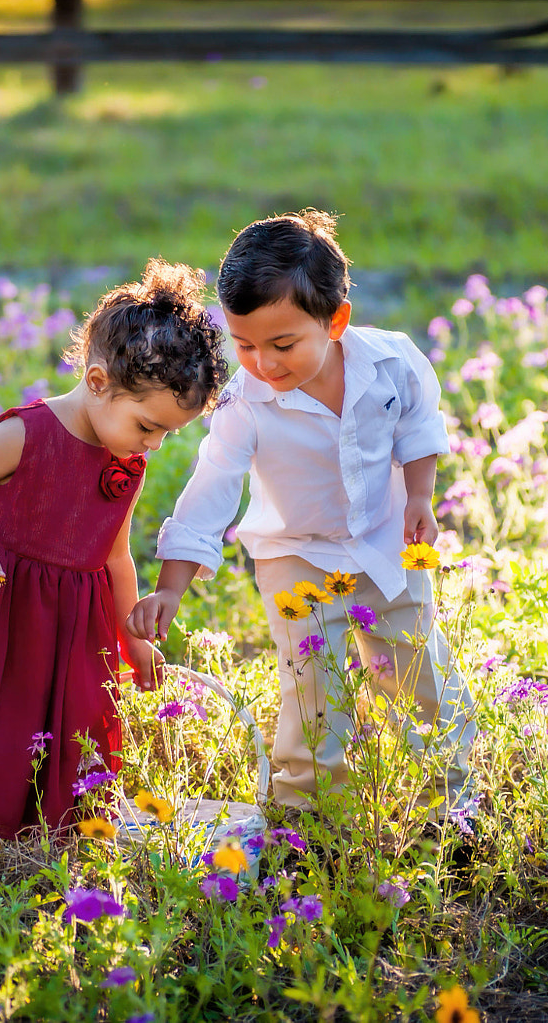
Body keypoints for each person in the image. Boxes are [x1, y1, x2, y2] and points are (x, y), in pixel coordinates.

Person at [0, 259, 230, 886]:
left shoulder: (124, 459)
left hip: (68, 632)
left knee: (64, 752)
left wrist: (133, 634)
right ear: (96, 380)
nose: (153, 446)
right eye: (148, 427)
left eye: (167, 434)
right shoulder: (25, 436)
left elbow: (114, 553)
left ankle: (50, 881)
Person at [126, 209, 477, 816]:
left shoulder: (393, 363)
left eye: (283, 344)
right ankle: (305, 822)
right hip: (296, 554)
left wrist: (420, 495)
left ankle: (448, 809)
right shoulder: (244, 401)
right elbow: (214, 487)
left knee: (420, 672)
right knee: (313, 693)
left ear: (335, 320)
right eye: (245, 345)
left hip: (385, 540)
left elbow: (420, 426)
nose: (263, 362)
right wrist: (171, 590)